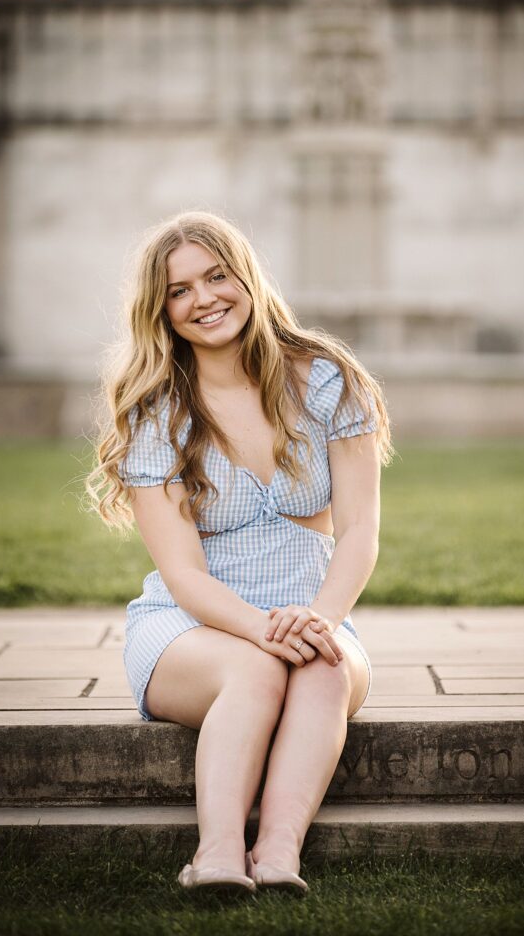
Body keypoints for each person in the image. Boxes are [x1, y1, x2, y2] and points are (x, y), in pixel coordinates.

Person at [86, 210, 394, 894]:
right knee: (257, 671)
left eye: (216, 277)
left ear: (245, 278)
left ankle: (279, 855)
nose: (204, 299)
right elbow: (184, 574)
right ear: (160, 310)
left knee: (322, 668)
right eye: (180, 290)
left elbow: (359, 533)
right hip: (187, 629)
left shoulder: (325, 381)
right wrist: (263, 630)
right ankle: (218, 855)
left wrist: (317, 619)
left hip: (312, 611)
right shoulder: (155, 411)